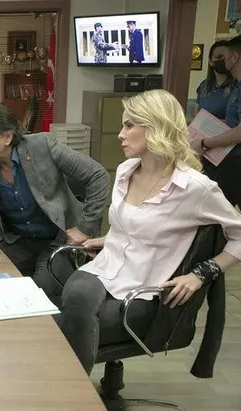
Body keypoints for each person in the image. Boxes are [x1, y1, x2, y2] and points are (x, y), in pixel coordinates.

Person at [56, 89, 241, 375]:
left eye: (129, 125)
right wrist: (109, 239)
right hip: (102, 269)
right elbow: (135, 224)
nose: (120, 134)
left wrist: (201, 274)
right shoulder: (126, 170)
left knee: (63, 331)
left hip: (144, 292)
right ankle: (70, 390)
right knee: (71, 308)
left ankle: (70, 392)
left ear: (157, 127)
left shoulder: (195, 188)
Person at [0, 102, 109, 302]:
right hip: (17, 243)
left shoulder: (42, 145)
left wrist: (85, 228)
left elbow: (98, 175)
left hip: (58, 240)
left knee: (40, 293)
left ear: (7, 137)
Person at [190, 35, 241, 207]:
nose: (223, 62)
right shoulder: (207, 86)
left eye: (224, 57)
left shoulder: (235, 87)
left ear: (234, 58)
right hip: (221, 158)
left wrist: (204, 143)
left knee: (219, 208)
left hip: (234, 158)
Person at [195, 40, 236, 120]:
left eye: (226, 57)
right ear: (210, 61)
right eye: (219, 57)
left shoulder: (237, 86)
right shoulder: (204, 85)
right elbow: (196, 112)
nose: (223, 60)